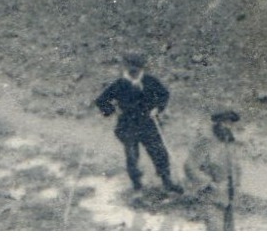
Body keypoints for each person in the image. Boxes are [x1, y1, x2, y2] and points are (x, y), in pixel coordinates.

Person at [95, 52, 183, 194]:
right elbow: (101, 101)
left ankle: (167, 181)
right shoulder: (119, 84)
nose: (134, 72)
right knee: (132, 155)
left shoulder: (150, 81)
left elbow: (164, 94)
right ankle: (137, 185)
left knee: (159, 152)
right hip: (127, 126)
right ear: (126, 68)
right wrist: (112, 109)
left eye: (138, 69)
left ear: (142, 69)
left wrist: (157, 108)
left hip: (148, 124)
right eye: (131, 69)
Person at [184, 110, 243, 229]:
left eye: (230, 123)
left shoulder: (229, 142)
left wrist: (236, 185)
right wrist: (208, 183)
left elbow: (235, 167)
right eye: (224, 123)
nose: (228, 126)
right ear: (217, 123)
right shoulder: (207, 140)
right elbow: (190, 165)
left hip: (228, 197)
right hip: (210, 196)